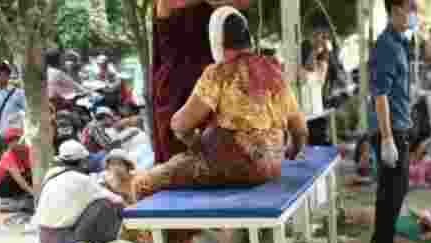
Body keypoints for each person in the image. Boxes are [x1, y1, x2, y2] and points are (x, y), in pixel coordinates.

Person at [128, 8, 309, 205]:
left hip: (227, 167)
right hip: (271, 169)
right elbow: (300, 131)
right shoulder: (274, 70)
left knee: (142, 184)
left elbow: (180, 125)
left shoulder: (219, 73)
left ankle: (158, 236)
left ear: (217, 41)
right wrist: (287, 152)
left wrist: (195, 144)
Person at [151, 0, 251, 165]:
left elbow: (242, 4)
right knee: (177, 161)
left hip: (217, 69)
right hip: (177, 82)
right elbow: (165, 4)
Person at [368, 0, 419, 243]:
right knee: (393, 188)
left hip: (398, 124)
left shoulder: (399, 43)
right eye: (412, 7)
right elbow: (380, 94)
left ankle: (383, 242)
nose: (415, 12)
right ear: (397, 9)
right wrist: (387, 138)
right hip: (389, 128)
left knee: (394, 187)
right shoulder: (387, 46)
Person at [34, 140, 126, 243]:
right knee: (105, 204)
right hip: (64, 242)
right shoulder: (82, 180)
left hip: (44, 239)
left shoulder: (51, 173)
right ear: (83, 162)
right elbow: (118, 200)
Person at [0, 129, 35, 212]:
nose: (14, 143)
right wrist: (33, 193)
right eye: (11, 141)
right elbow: (19, 179)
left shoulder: (28, 150)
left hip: (18, 181)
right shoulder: (8, 156)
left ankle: (23, 196)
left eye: (17, 139)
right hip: (2, 186)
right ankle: (19, 198)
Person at [300, 17, 331, 145]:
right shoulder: (305, 48)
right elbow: (309, 68)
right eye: (317, 36)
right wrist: (314, 49)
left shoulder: (322, 64)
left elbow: (318, 74)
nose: (321, 40)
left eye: (324, 37)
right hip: (304, 115)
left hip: (317, 114)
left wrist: (319, 48)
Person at [0, 62, 26, 151]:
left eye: (0, 74)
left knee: (12, 155)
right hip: (0, 132)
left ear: (7, 76)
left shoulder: (18, 93)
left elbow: (26, 111)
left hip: (15, 132)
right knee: (5, 156)